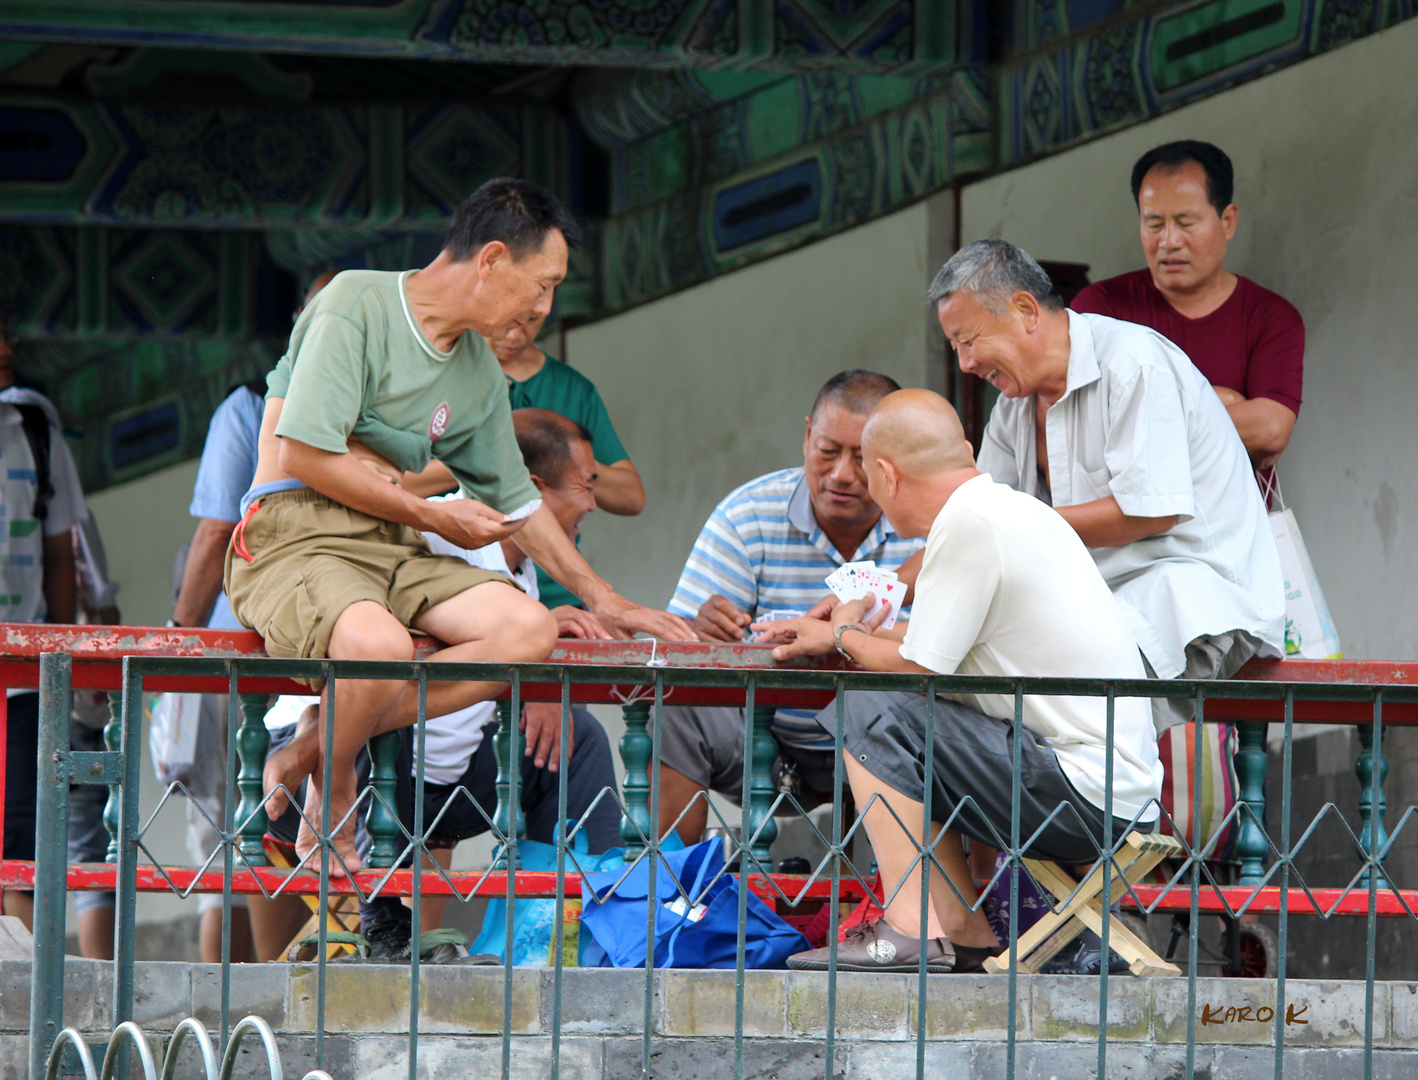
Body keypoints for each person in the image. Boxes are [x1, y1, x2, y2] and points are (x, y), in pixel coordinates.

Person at [230, 177, 694, 876]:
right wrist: (427, 509)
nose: (543, 307)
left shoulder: (476, 368)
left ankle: (320, 744)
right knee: (375, 641)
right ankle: (336, 796)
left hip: (391, 546)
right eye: (540, 285)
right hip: (296, 532)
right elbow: (303, 454)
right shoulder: (355, 301)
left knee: (527, 630)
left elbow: (518, 503)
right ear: (492, 260)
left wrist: (607, 601)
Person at [756, 390, 1162, 973]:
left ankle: (914, 926)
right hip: (1113, 795)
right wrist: (831, 638)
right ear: (966, 451)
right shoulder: (1006, 511)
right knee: (894, 710)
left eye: (869, 478)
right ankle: (963, 933)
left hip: (1083, 798)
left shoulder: (969, 525)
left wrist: (845, 635)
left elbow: (918, 670)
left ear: (887, 475)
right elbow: (932, 651)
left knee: (872, 708)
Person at [264, 408, 621, 960]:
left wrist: (540, 670)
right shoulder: (445, 528)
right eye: (586, 484)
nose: (595, 503)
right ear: (530, 490)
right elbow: (374, 653)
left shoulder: (523, 571)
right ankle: (369, 919)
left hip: (433, 785)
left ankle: (564, 936)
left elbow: (497, 650)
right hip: (340, 773)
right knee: (375, 688)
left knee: (580, 739)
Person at [931, 238, 1284, 735]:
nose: (965, 363)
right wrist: (874, 590)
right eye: (955, 349)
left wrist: (1023, 525)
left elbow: (1149, 513)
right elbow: (980, 522)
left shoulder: (1133, 362)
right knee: (971, 664)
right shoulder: (1013, 407)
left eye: (968, 341)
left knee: (1047, 707)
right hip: (1101, 609)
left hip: (1192, 601)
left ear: (1025, 310)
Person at [656, 370, 922, 844]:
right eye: (827, 451)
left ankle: (934, 907)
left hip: (898, 744)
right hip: (769, 745)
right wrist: (700, 629)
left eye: (861, 459)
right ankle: (675, 896)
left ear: (893, 461)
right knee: (677, 707)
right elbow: (672, 638)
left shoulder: (926, 525)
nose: (841, 474)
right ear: (805, 437)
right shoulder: (748, 515)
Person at [1071, 140, 1304, 479]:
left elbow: (1270, 429)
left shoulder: (1271, 318)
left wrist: (1145, 420)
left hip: (1234, 528)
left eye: (1185, 222)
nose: (1169, 241)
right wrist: (1218, 401)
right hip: (1129, 525)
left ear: (1228, 221)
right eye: (1154, 224)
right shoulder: (1100, 308)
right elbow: (1087, 430)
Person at [0, 312, 87, 932]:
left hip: (26, 675)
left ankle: (21, 990)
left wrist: (63, 660)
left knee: (21, 836)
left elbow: (61, 555)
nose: (7, 348)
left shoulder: (33, 432)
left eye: (9, 334)